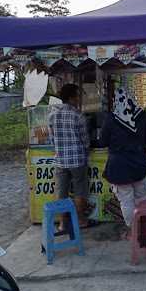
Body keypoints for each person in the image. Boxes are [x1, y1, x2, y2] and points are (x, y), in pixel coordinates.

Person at [100, 89, 146, 240]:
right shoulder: (141, 116)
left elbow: (102, 141)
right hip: (139, 164)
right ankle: (142, 227)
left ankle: (133, 231)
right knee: (141, 197)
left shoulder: (111, 118)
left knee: (126, 200)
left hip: (119, 167)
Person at [48, 84, 91, 232]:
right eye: (77, 95)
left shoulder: (52, 115)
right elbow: (85, 140)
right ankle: (80, 220)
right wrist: (87, 149)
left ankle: (62, 224)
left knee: (61, 192)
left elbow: (52, 140)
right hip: (78, 160)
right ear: (72, 97)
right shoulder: (78, 115)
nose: (79, 98)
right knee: (80, 190)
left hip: (60, 160)